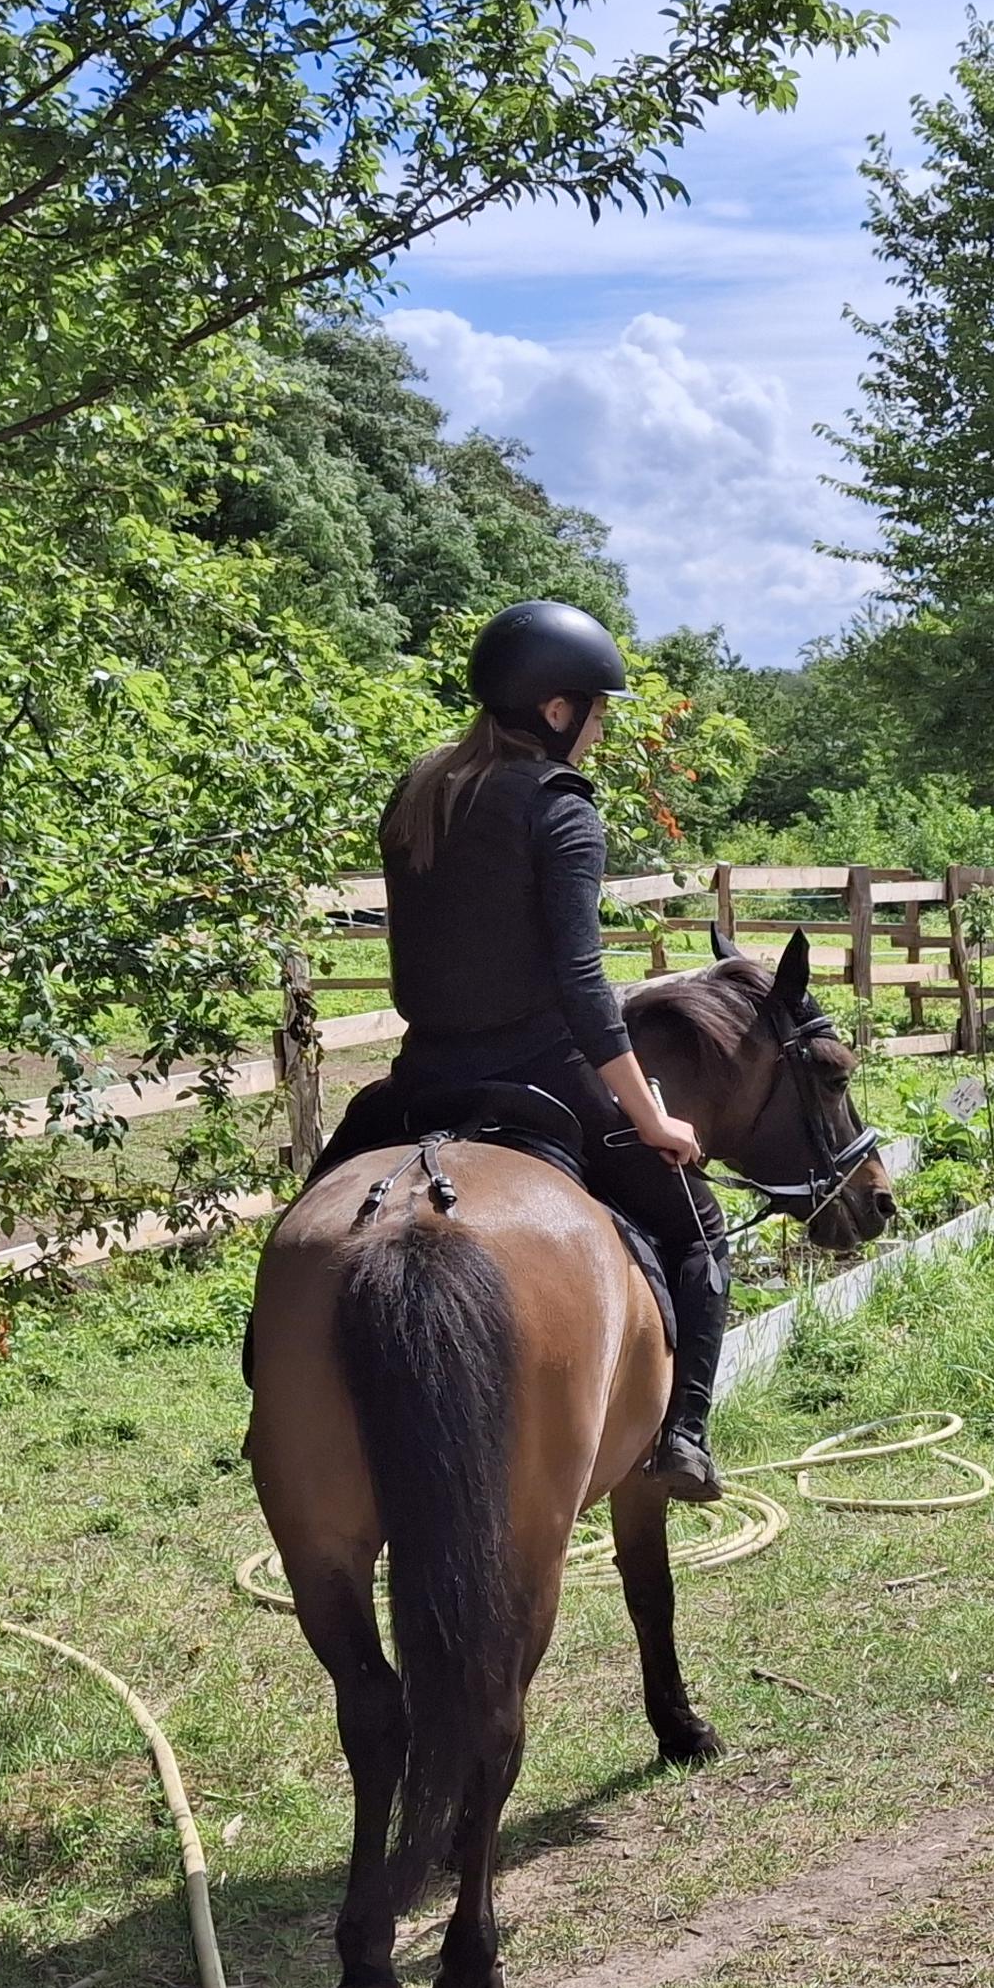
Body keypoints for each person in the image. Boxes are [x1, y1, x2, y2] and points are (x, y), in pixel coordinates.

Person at [361, 599, 731, 1500]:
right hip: (540, 1073)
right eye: (597, 712)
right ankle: (683, 1437)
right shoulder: (559, 808)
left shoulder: (422, 792)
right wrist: (653, 1120)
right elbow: (581, 984)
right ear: (556, 710)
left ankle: (269, 1374)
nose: (601, 731)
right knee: (700, 1231)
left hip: (424, 1073)